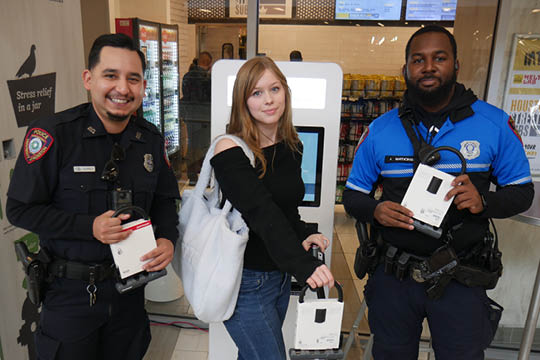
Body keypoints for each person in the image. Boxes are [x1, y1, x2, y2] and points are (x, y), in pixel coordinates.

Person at [343, 25, 534, 359]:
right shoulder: (381, 129)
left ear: (456, 65)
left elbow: (521, 192)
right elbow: (354, 195)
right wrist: (375, 210)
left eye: (439, 58)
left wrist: (484, 201)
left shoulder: (493, 124)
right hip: (393, 277)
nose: (428, 67)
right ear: (406, 69)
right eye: (418, 60)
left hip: (461, 277)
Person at [6, 33, 180, 359]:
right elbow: (19, 210)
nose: (122, 88)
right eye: (110, 75)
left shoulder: (150, 140)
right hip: (70, 298)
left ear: (143, 86)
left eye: (133, 79)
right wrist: (89, 228)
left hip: (129, 295)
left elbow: (164, 201)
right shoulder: (54, 135)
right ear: (89, 79)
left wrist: (168, 239)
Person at [211, 56, 335, 359]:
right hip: (245, 282)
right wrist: (305, 266)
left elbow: (285, 209)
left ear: (286, 92)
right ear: (243, 101)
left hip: (277, 279)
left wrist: (303, 232)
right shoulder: (230, 149)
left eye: (274, 89)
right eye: (256, 93)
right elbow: (261, 212)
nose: (268, 100)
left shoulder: (292, 144)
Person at [181, 51, 213, 185]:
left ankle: (192, 177)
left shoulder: (187, 76)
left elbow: (185, 94)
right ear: (208, 63)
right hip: (205, 117)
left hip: (191, 117)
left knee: (192, 147)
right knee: (205, 148)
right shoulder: (207, 78)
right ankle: (205, 178)